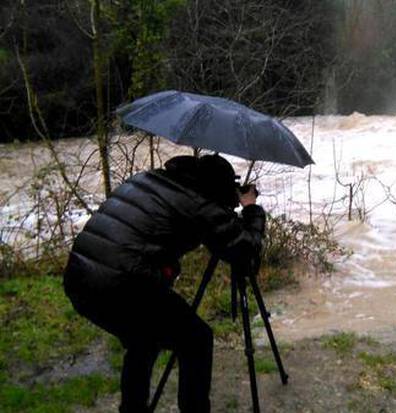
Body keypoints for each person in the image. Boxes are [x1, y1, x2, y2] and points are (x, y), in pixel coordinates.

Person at [63, 154, 264, 413]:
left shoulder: (148, 178)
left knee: (143, 337)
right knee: (196, 339)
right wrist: (250, 209)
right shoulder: (197, 203)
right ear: (216, 188)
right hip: (122, 285)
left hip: (79, 277)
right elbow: (245, 251)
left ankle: (132, 408)